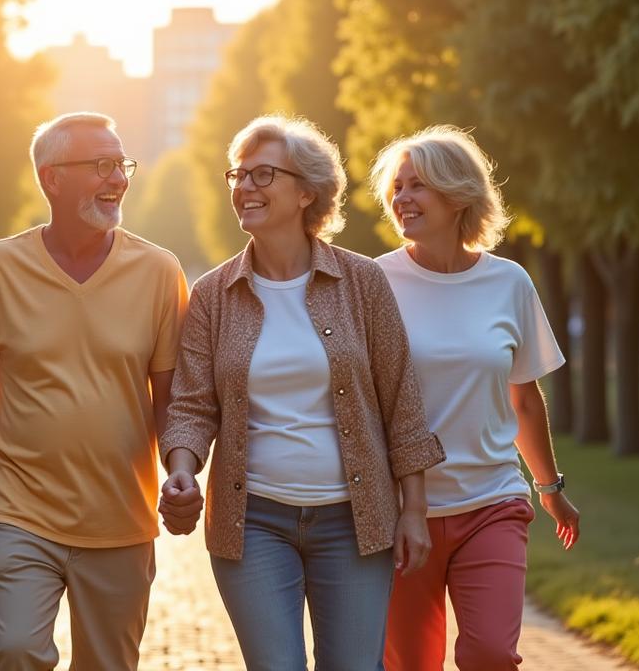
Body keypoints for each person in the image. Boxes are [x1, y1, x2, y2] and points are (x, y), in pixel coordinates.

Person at [158, 115, 446, 671]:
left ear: (306, 192)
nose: (244, 187)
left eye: (263, 175)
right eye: (238, 175)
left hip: (356, 522)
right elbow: (192, 404)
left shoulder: (362, 283)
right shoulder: (213, 294)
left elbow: (401, 402)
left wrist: (414, 508)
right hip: (253, 523)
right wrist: (182, 467)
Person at [0, 112, 188, 670]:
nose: (118, 179)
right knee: (12, 650)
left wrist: (181, 469)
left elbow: (171, 395)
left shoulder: (159, 271)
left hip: (120, 517)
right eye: (102, 166)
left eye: (122, 165)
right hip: (19, 510)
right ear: (52, 178)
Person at [369, 125, 581, 671]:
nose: (402, 198)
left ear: (458, 194)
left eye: (418, 186)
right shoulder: (372, 282)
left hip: (492, 502)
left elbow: (525, 398)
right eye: (397, 186)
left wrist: (550, 488)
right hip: (402, 513)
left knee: (490, 653)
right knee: (409, 663)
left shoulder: (508, 282)